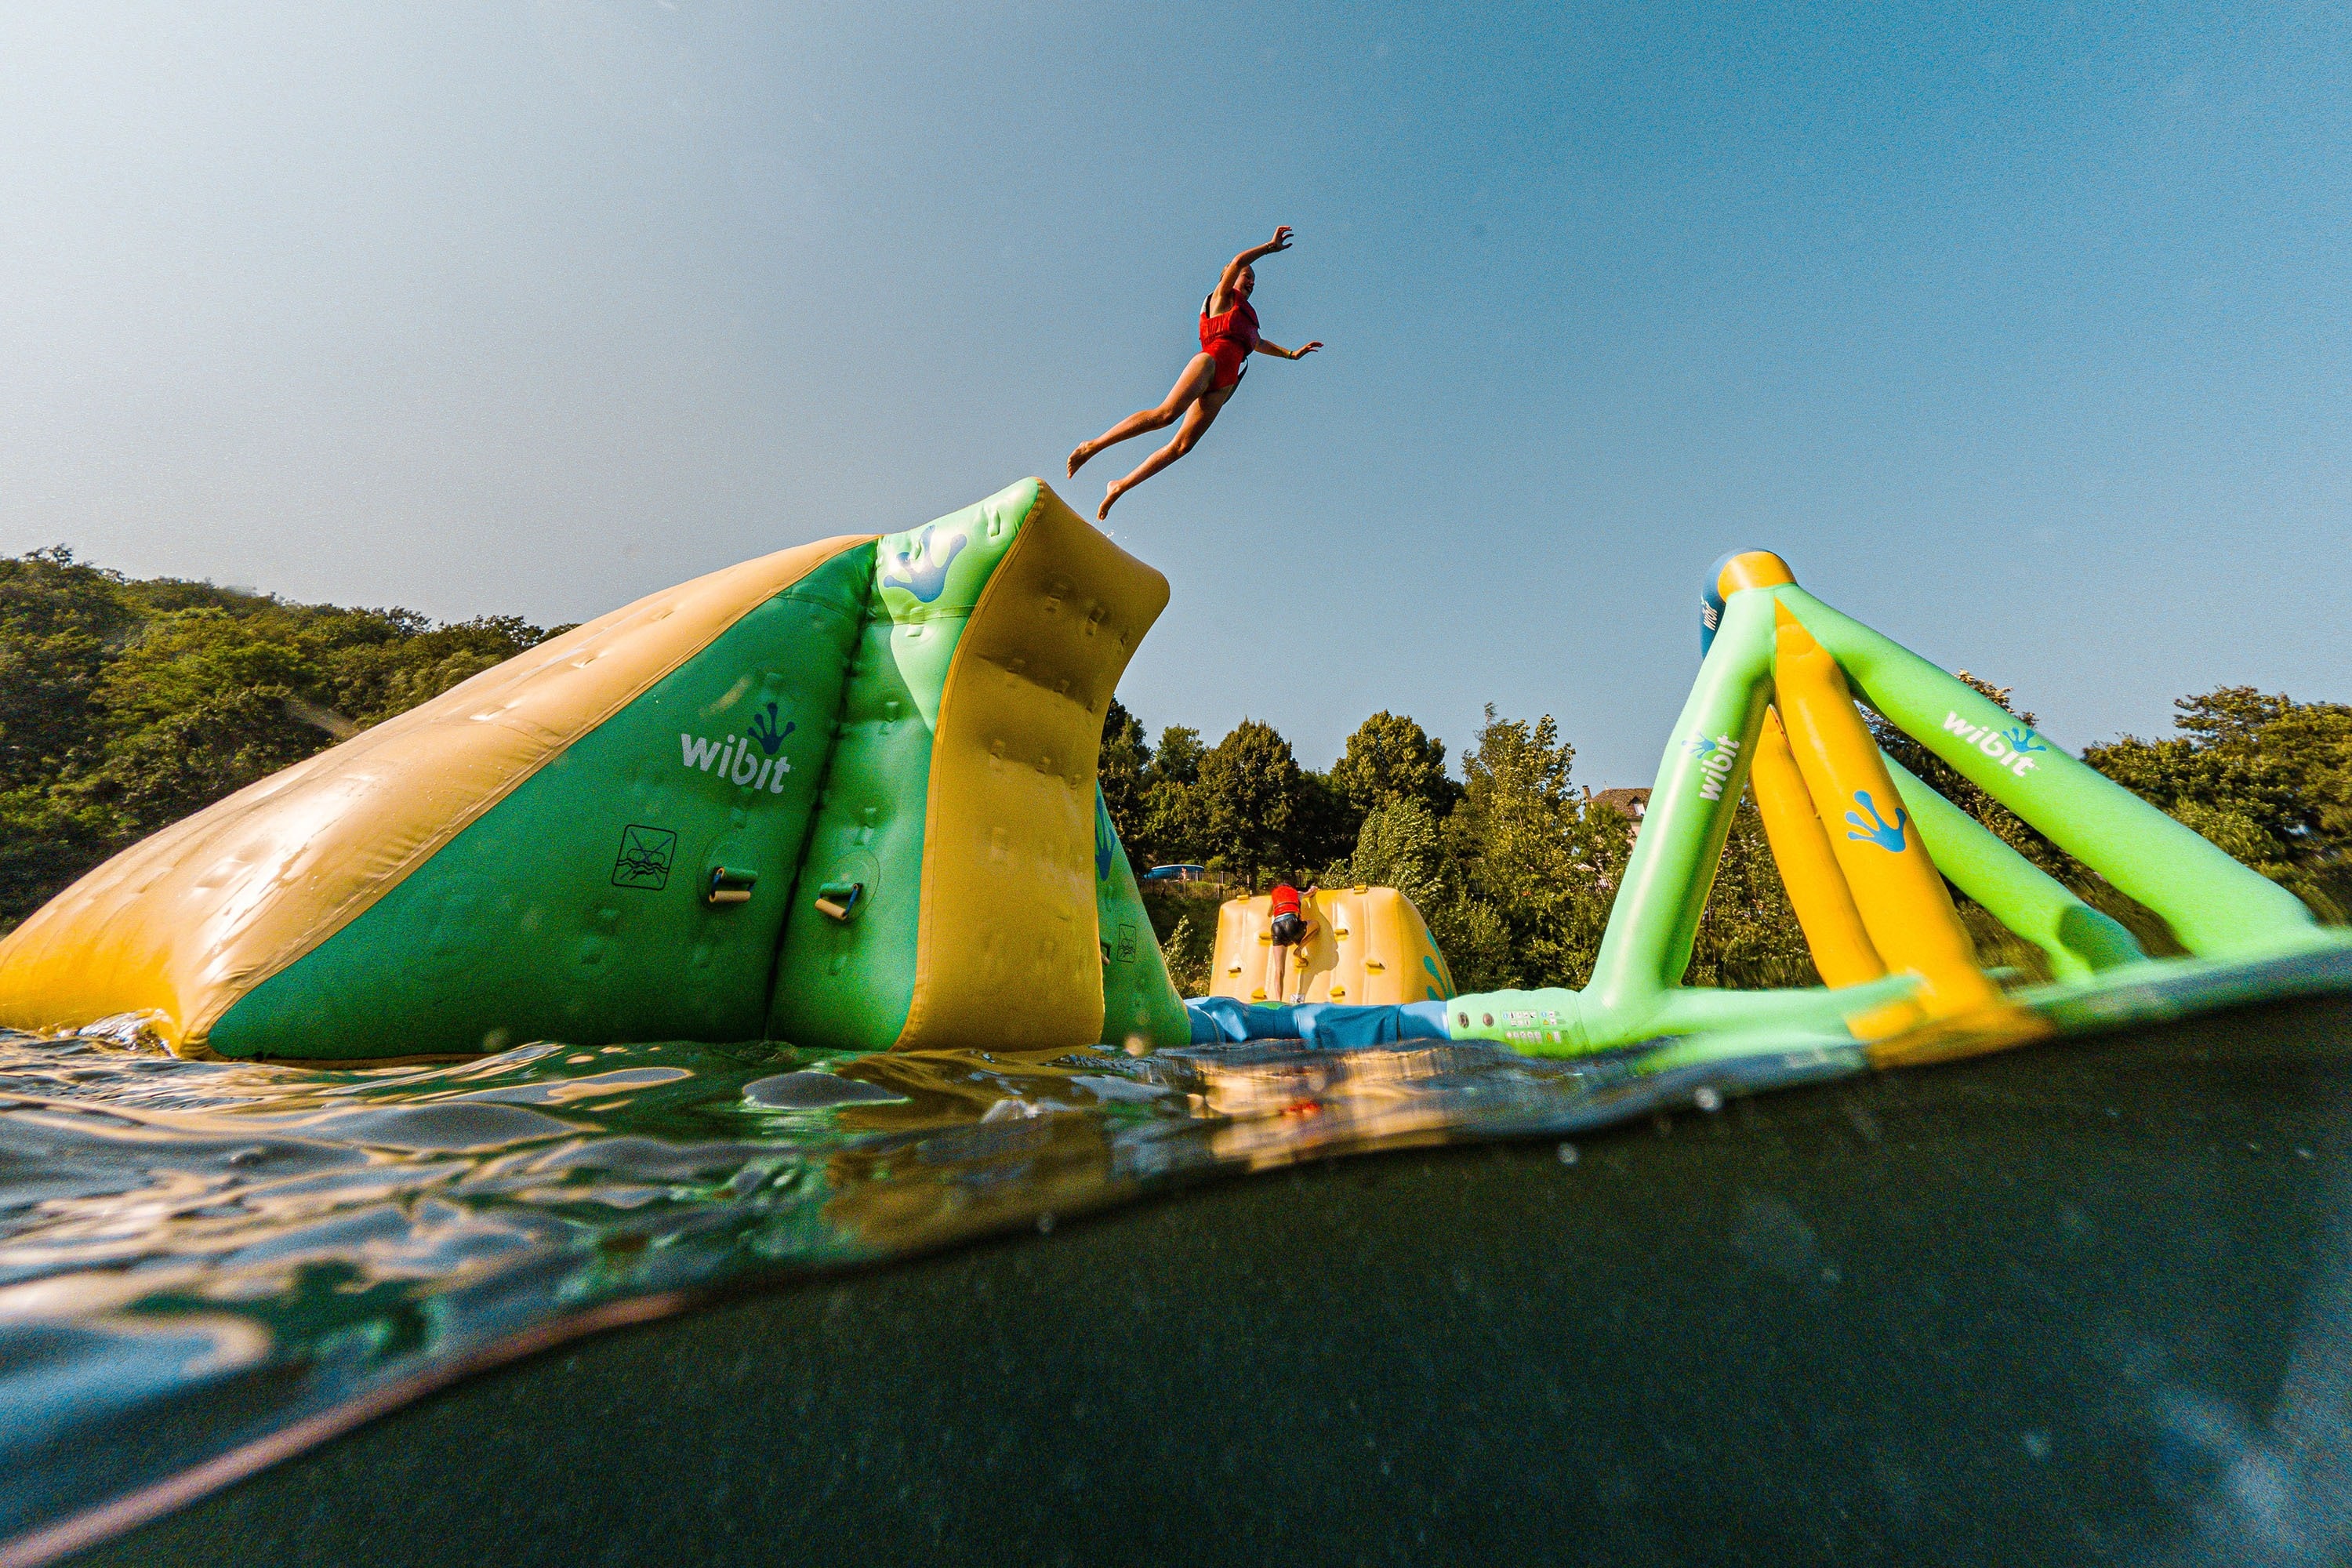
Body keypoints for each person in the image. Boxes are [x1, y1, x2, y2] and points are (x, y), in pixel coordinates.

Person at [1068, 227, 1323, 521]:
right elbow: (1239, 260)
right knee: (1166, 415)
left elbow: (1258, 343)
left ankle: (1119, 486)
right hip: (1210, 363)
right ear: (1231, 275)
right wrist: (1269, 247)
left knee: (1182, 447)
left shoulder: (1250, 318)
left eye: (1254, 279)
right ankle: (1093, 446)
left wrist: (1291, 354)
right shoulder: (1222, 298)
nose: (1251, 281)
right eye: (1247, 276)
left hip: (1225, 384)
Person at [1265, 880, 1319, 1004]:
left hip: (1276, 927)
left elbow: (1269, 914)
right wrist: (1313, 888)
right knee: (1316, 926)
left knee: (1279, 969)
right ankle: (1299, 949)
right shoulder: (1297, 893)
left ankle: (1278, 1000)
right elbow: (1310, 892)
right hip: (1292, 923)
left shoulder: (1274, 896)